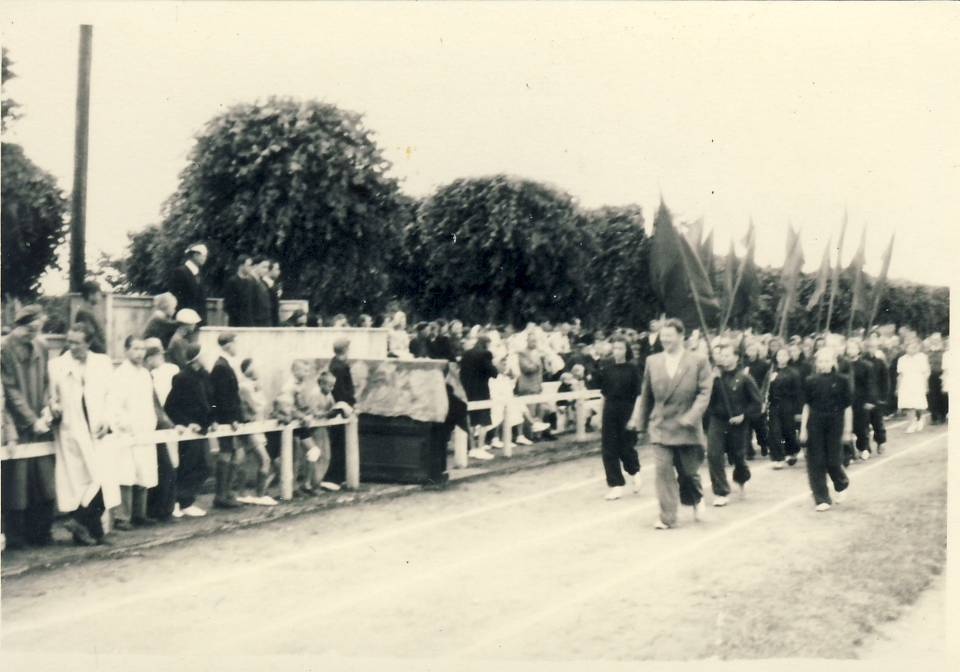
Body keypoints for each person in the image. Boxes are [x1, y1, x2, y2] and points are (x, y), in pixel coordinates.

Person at [629, 319, 713, 530]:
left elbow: (705, 392)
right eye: (662, 335)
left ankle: (696, 498)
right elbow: (646, 394)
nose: (665, 339)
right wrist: (640, 424)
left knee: (687, 473)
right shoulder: (653, 361)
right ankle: (668, 517)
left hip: (686, 427)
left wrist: (692, 416)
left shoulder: (698, 360)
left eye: (669, 335)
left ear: (681, 336)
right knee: (663, 471)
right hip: (661, 426)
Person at [49, 323, 120, 546]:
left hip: (98, 431)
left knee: (103, 479)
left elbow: (112, 396)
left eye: (76, 343)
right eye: (69, 342)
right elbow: (52, 398)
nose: (71, 347)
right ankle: (92, 531)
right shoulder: (57, 366)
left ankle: (80, 522)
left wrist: (108, 419)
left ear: (88, 343)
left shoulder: (103, 363)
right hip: (72, 431)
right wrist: (53, 406)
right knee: (83, 483)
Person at [1, 305, 56, 549]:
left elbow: (46, 382)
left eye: (37, 329)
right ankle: (16, 537)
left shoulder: (42, 346)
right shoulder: (4, 349)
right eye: (29, 329)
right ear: (19, 325)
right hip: (16, 425)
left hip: (39, 424)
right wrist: (29, 420)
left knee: (44, 479)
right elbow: (9, 390)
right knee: (17, 482)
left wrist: (45, 410)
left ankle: (41, 533)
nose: (33, 334)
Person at [107, 336, 160, 530]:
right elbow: (115, 405)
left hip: (145, 430)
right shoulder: (121, 374)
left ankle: (140, 514)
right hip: (127, 432)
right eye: (135, 348)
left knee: (144, 471)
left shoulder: (145, 374)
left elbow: (148, 403)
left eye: (142, 349)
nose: (140, 353)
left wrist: (150, 423)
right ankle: (122, 517)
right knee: (126, 473)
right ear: (126, 350)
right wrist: (124, 425)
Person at [705, 343, 761, 506]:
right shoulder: (715, 376)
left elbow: (757, 403)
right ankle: (721, 491)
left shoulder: (744, 378)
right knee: (713, 454)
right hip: (718, 420)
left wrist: (743, 415)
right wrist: (711, 380)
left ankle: (742, 478)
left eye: (728, 355)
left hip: (738, 422)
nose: (724, 358)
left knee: (738, 456)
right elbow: (705, 397)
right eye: (722, 355)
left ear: (736, 357)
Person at [799, 348, 853, 512]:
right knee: (816, 461)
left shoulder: (842, 380)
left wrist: (847, 430)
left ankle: (841, 483)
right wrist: (803, 429)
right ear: (816, 363)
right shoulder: (810, 381)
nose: (823, 364)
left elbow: (847, 407)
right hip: (815, 423)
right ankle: (821, 498)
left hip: (835, 422)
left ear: (833, 362)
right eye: (820, 361)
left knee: (833, 460)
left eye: (827, 361)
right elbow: (806, 406)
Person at [164, 343, 214, 518]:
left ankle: (187, 501)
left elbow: (211, 401)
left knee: (205, 466)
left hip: (203, 430)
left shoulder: (206, 376)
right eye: (204, 355)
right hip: (188, 431)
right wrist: (188, 423)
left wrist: (212, 420)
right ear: (196, 359)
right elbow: (171, 407)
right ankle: (177, 502)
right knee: (187, 466)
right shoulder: (182, 378)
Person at [595, 336, 641, 500]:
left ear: (626, 350)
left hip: (627, 409)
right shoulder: (607, 368)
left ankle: (634, 471)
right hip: (610, 409)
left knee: (626, 447)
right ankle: (615, 484)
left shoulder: (633, 369)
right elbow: (604, 395)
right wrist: (600, 416)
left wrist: (634, 418)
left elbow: (638, 396)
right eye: (615, 348)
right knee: (608, 448)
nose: (617, 351)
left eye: (620, 348)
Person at [143, 338, 180, 522]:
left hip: (155, 427)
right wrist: (167, 423)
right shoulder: (145, 376)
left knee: (163, 469)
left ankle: (160, 510)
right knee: (165, 468)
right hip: (151, 428)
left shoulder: (149, 375)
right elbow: (154, 405)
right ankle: (160, 511)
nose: (161, 359)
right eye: (158, 355)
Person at [209, 332, 246, 509]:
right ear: (228, 345)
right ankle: (221, 495)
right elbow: (222, 397)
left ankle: (226, 493)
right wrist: (231, 418)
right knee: (226, 452)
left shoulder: (226, 364)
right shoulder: (221, 366)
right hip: (225, 419)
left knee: (231, 452)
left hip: (229, 418)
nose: (237, 347)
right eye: (236, 343)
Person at [237, 358, 278, 506]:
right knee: (264, 459)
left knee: (245, 461)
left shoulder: (253, 386)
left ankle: (244, 493)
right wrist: (259, 394)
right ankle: (259, 494)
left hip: (257, 427)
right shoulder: (246, 387)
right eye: (255, 367)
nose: (258, 370)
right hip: (250, 427)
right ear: (249, 370)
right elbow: (257, 406)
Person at [459, 334, 499, 461]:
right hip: (481, 390)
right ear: (487, 344)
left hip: (468, 390)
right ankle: (480, 448)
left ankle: (472, 448)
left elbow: (462, 373)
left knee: (471, 419)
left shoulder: (466, 354)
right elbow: (494, 373)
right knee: (483, 420)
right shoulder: (485, 354)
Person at [841, 340, 880, 462]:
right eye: (849, 348)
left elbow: (871, 384)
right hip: (846, 400)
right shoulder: (843, 365)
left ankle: (864, 448)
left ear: (859, 350)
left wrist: (870, 400)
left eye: (854, 348)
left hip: (861, 400)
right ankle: (849, 453)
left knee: (861, 426)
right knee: (846, 427)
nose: (851, 350)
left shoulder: (866, 365)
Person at [767, 348, 804, 469]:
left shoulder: (793, 373)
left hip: (788, 405)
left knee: (788, 430)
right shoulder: (772, 371)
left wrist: (798, 411)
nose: (781, 357)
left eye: (784, 355)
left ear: (788, 358)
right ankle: (778, 458)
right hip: (774, 405)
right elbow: (766, 388)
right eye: (779, 355)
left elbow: (798, 393)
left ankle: (791, 451)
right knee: (775, 431)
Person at [742, 341, 770, 459]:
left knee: (760, 425)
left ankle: (764, 444)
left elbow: (766, 381)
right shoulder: (744, 364)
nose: (751, 352)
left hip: (758, 396)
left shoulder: (763, 365)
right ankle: (749, 450)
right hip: (745, 397)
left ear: (758, 352)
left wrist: (763, 398)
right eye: (749, 350)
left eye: (754, 350)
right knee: (746, 424)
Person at [169, 243, 209, 324]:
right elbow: (177, 297)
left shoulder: (199, 273)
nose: (205, 258)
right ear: (195, 255)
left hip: (198, 320)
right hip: (185, 320)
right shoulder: (180, 272)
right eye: (204, 255)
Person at [863, 336, 890, 455]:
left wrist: (883, 397)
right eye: (869, 347)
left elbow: (885, 381)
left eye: (873, 347)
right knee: (864, 423)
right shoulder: (862, 362)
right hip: (864, 398)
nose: (871, 349)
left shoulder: (880, 362)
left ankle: (881, 442)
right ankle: (865, 446)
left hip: (877, 397)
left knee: (877, 422)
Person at [897, 338, 930, 433]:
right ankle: (912, 423)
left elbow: (925, 372)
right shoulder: (902, 359)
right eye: (909, 347)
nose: (912, 350)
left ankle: (920, 419)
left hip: (918, 382)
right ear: (906, 348)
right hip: (906, 383)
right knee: (909, 404)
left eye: (914, 347)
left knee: (918, 404)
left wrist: (925, 384)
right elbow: (900, 374)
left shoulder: (922, 357)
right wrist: (898, 387)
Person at [73, 280, 108, 354]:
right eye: (98, 294)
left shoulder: (89, 310)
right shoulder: (84, 313)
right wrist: (102, 351)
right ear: (90, 295)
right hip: (93, 355)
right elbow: (90, 338)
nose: (100, 297)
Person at [222, 255, 257, 327]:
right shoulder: (232, 281)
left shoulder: (251, 282)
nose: (251, 268)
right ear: (241, 266)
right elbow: (228, 305)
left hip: (250, 322)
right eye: (249, 265)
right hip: (236, 322)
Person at [926, 334, 947, 425]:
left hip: (941, 374)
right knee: (931, 396)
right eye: (933, 339)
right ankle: (934, 416)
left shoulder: (944, 352)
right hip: (930, 375)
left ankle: (942, 415)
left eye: (937, 339)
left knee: (942, 396)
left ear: (940, 340)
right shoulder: (927, 352)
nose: (935, 341)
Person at [251, 257, 274, 327]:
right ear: (255, 266)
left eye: (267, 268)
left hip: (264, 319)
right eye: (263, 267)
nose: (266, 270)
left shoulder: (262, 282)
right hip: (257, 321)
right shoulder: (250, 281)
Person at [263, 260, 282, 327]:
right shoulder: (263, 284)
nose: (279, 272)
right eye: (276, 269)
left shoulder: (274, 285)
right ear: (269, 270)